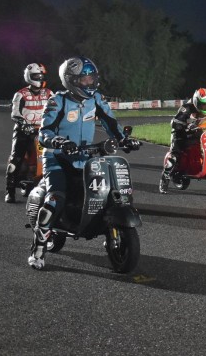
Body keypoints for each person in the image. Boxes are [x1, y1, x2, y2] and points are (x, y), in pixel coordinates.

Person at [28, 56, 138, 269]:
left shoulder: (96, 99)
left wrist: (124, 140)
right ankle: (38, 249)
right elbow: (44, 132)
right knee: (55, 198)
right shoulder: (58, 101)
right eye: (84, 79)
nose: (90, 83)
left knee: (107, 192)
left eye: (91, 78)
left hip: (85, 157)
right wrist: (59, 141)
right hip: (57, 158)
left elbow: (110, 123)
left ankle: (105, 226)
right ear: (71, 80)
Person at [4, 63, 53, 203]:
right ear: (29, 77)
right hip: (24, 131)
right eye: (37, 76)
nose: (40, 78)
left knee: (56, 156)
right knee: (15, 160)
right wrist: (24, 124)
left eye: (41, 76)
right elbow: (15, 113)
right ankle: (10, 191)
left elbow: (57, 110)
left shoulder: (49, 93)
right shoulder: (20, 94)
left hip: (43, 130)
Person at [159, 88, 206, 194]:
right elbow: (175, 122)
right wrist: (183, 125)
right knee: (175, 155)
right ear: (196, 102)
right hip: (180, 133)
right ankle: (164, 180)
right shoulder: (186, 108)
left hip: (196, 131)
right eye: (203, 105)